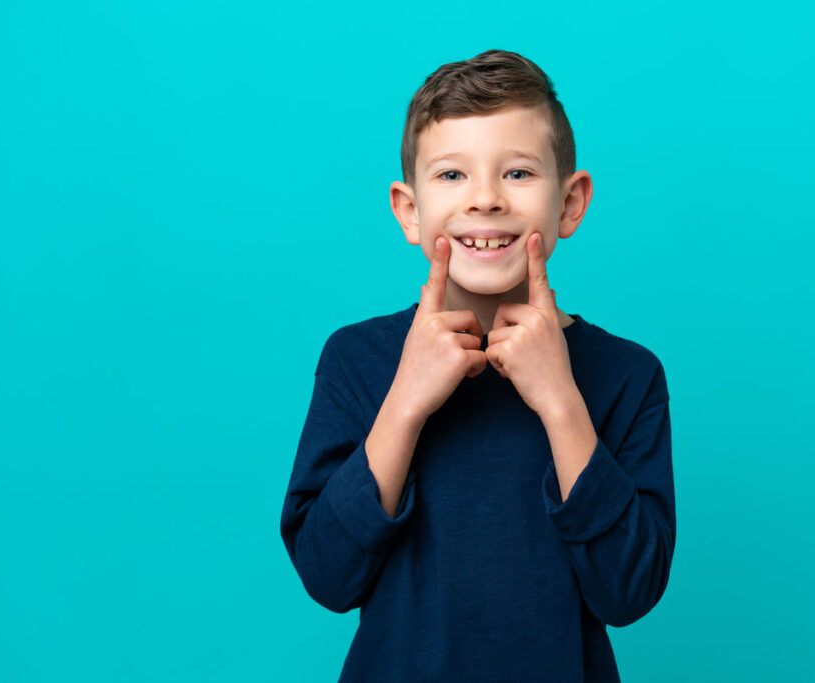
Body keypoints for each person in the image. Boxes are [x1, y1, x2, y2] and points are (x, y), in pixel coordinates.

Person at [279, 48, 675, 682]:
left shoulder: (628, 375)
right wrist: (405, 402)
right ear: (409, 211)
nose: (485, 200)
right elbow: (328, 576)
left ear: (570, 202)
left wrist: (561, 401)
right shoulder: (355, 360)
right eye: (452, 175)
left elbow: (628, 593)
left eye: (517, 173)